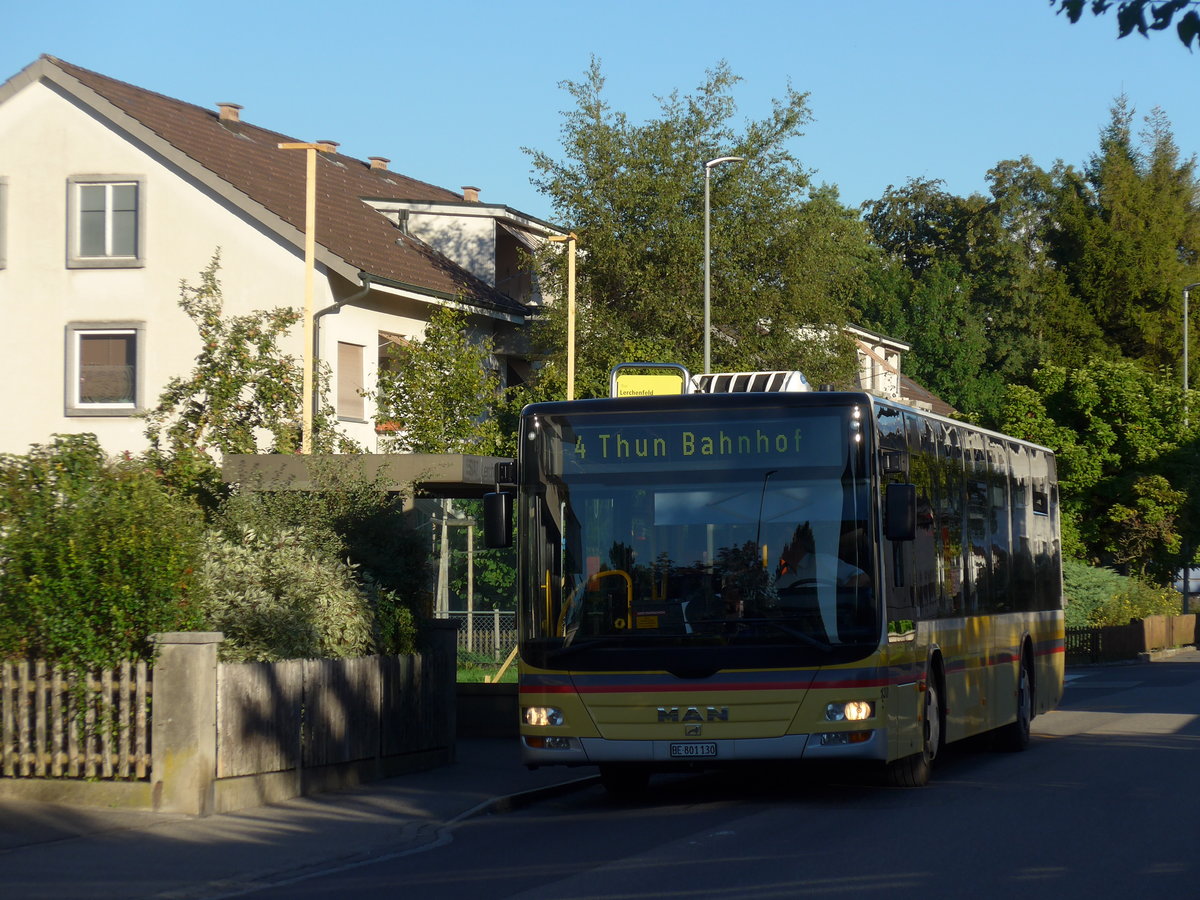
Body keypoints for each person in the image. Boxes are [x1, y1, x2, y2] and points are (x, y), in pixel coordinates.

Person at [775, 522, 869, 590]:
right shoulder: (783, 579)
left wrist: (839, 598)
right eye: (778, 542)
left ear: (798, 543)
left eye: (784, 541)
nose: (779, 546)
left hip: (832, 612)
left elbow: (862, 577)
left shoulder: (822, 561)